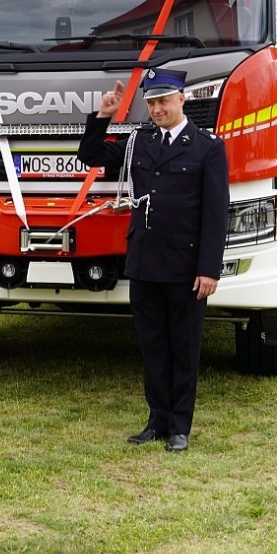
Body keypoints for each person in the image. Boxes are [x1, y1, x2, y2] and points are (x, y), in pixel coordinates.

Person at [77, 68, 229, 452]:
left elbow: (216, 214)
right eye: (151, 103)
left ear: (182, 99)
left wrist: (209, 269)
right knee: (153, 345)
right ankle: (157, 421)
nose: (157, 109)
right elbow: (90, 155)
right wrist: (103, 116)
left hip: (185, 266)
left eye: (163, 101)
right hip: (145, 262)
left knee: (184, 347)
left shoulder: (207, 147)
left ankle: (179, 426)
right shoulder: (138, 142)